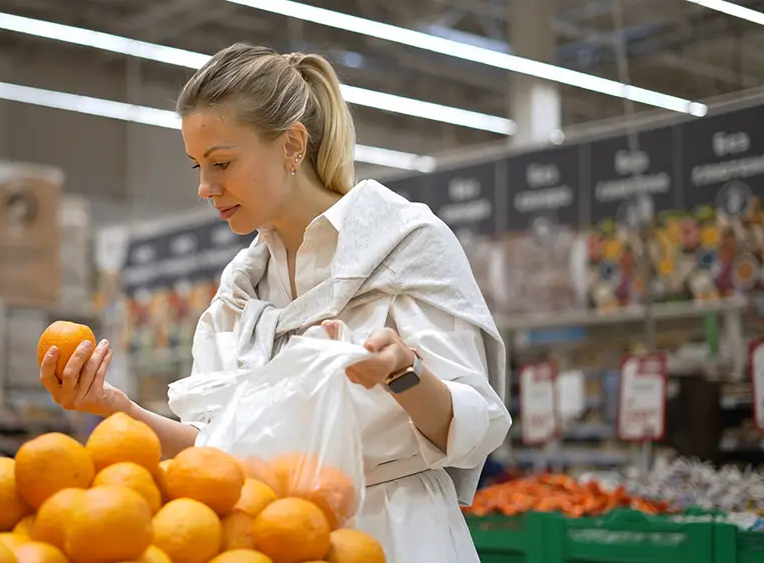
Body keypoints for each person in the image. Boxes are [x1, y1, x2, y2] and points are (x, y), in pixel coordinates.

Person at [39, 43, 512, 562]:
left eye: (221, 162)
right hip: (270, 538)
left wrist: (405, 372)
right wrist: (117, 408)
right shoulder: (240, 289)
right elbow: (214, 448)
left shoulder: (406, 245)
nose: (204, 187)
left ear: (292, 145)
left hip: (395, 534)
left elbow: (474, 426)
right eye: (196, 165)